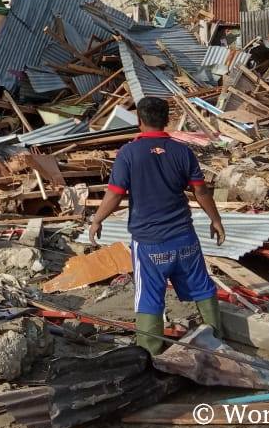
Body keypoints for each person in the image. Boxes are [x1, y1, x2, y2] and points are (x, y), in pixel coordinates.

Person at [88, 96, 226, 355]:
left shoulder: (128, 153)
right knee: (201, 286)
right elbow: (201, 191)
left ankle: (150, 354)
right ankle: (216, 341)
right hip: (185, 238)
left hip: (149, 243)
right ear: (167, 120)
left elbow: (115, 194)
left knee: (149, 296)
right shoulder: (183, 151)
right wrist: (216, 220)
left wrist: (97, 220)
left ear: (139, 120)